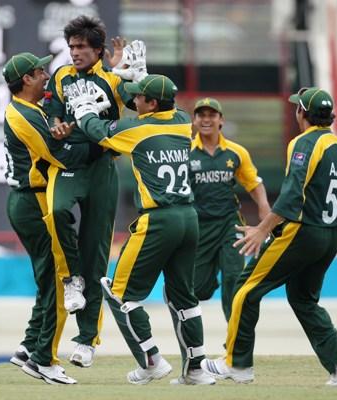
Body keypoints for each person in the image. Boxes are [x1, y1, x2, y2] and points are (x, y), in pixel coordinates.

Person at [201, 87, 337, 386]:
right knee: (303, 299)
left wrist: (263, 229)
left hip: (304, 231)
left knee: (245, 290)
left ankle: (236, 364)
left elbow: (292, 196)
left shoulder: (303, 143)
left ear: (302, 113)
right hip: (331, 234)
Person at [67, 74, 215, 385]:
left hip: (158, 221)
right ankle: (197, 369)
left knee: (118, 292)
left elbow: (98, 132)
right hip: (189, 218)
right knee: (183, 298)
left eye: (139, 98)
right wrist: (139, 78)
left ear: (151, 103)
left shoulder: (138, 129)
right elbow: (155, 104)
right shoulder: (182, 121)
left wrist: (84, 111)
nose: (133, 102)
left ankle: (151, 360)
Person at [44, 15, 144, 367]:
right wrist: (57, 128)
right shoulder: (60, 77)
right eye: (71, 47)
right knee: (56, 211)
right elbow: (53, 113)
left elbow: (140, 104)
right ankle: (72, 280)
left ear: (98, 51)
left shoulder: (113, 79)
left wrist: (135, 74)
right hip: (71, 164)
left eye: (81, 47)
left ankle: (87, 341)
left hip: (102, 165)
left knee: (97, 254)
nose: (74, 53)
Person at [1, 52, 107, 384]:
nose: (46, 75)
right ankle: (43, 359)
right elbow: (59, 155)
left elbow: (56, 131)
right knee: (61, 280)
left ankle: (29, 346)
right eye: (39, 71)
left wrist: (64, 125)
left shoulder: (34, 109)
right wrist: (101, 145)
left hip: (28, 200)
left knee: (49, 280)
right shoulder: (22, 114)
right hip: (33, 203)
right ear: (26, 80)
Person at [189, 97, 270, 321]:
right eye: (201, 115)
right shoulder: (185, 152)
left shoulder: (236, 152)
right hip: (199, 226)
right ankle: (213, 267)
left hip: (229, 223)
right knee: (198, 289)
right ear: (194, 121)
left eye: (211, 115)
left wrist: (264, 209)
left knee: (234, 278)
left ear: (220, 120)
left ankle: (235, 343)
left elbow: (253, 183)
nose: (206, 120)